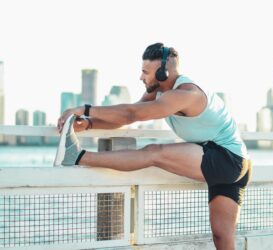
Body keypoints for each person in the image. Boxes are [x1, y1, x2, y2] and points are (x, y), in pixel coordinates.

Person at [57, 42, 252, 250]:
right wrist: (89, 124)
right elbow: (129, 116)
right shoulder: (159, 91)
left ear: (162, 73)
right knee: (222, 238)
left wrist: (84, 109)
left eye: (145, 72)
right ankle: (76, 156)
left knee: (154, 153)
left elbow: (131, 113)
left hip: (227, 159)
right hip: (236, 164)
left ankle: (77, 156)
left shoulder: (186, 94)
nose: (141, 77)